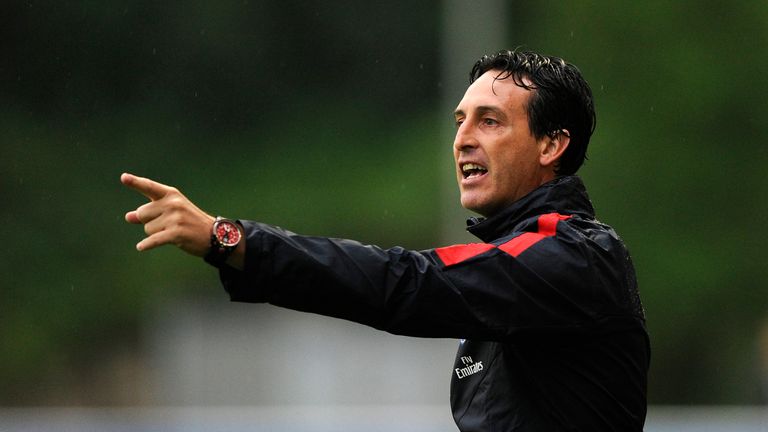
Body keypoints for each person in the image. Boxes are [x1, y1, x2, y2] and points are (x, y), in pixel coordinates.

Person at [122, 49, 649, 431]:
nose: (463, 138)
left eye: (490, 121)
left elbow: (404, 283)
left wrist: (232, 240)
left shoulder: (571, 256)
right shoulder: (515, 262)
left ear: (552, 145)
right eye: (460, 121)